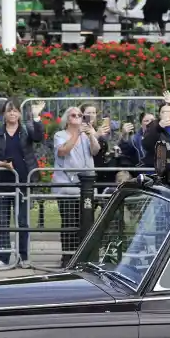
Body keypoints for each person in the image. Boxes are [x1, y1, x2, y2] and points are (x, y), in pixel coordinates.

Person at [0, 98, 45, 268]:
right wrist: (0, 164)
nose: (12, 113)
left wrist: (36, 116)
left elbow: (39, 136)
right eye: (9, 110)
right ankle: (3, 257)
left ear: (19, 113)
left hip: (23, 183)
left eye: (15, 110)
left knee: (23, 221)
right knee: (3, 221)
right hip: (2, 183)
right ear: (3, 114)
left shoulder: (26, 130)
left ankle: (23, 257)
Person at [51, 106, 99, 266]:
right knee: (69, 222)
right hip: (66, 186)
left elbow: (95, 151)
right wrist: (77, 134)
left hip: (85, 187)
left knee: (84, 222)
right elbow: (62, 151)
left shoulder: (86, 136)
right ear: (67, 119)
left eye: (80, 115)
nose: (78, 117)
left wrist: (92, 136)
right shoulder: (60, 135)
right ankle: (67, 257)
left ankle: (82, 256)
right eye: (74, 115)